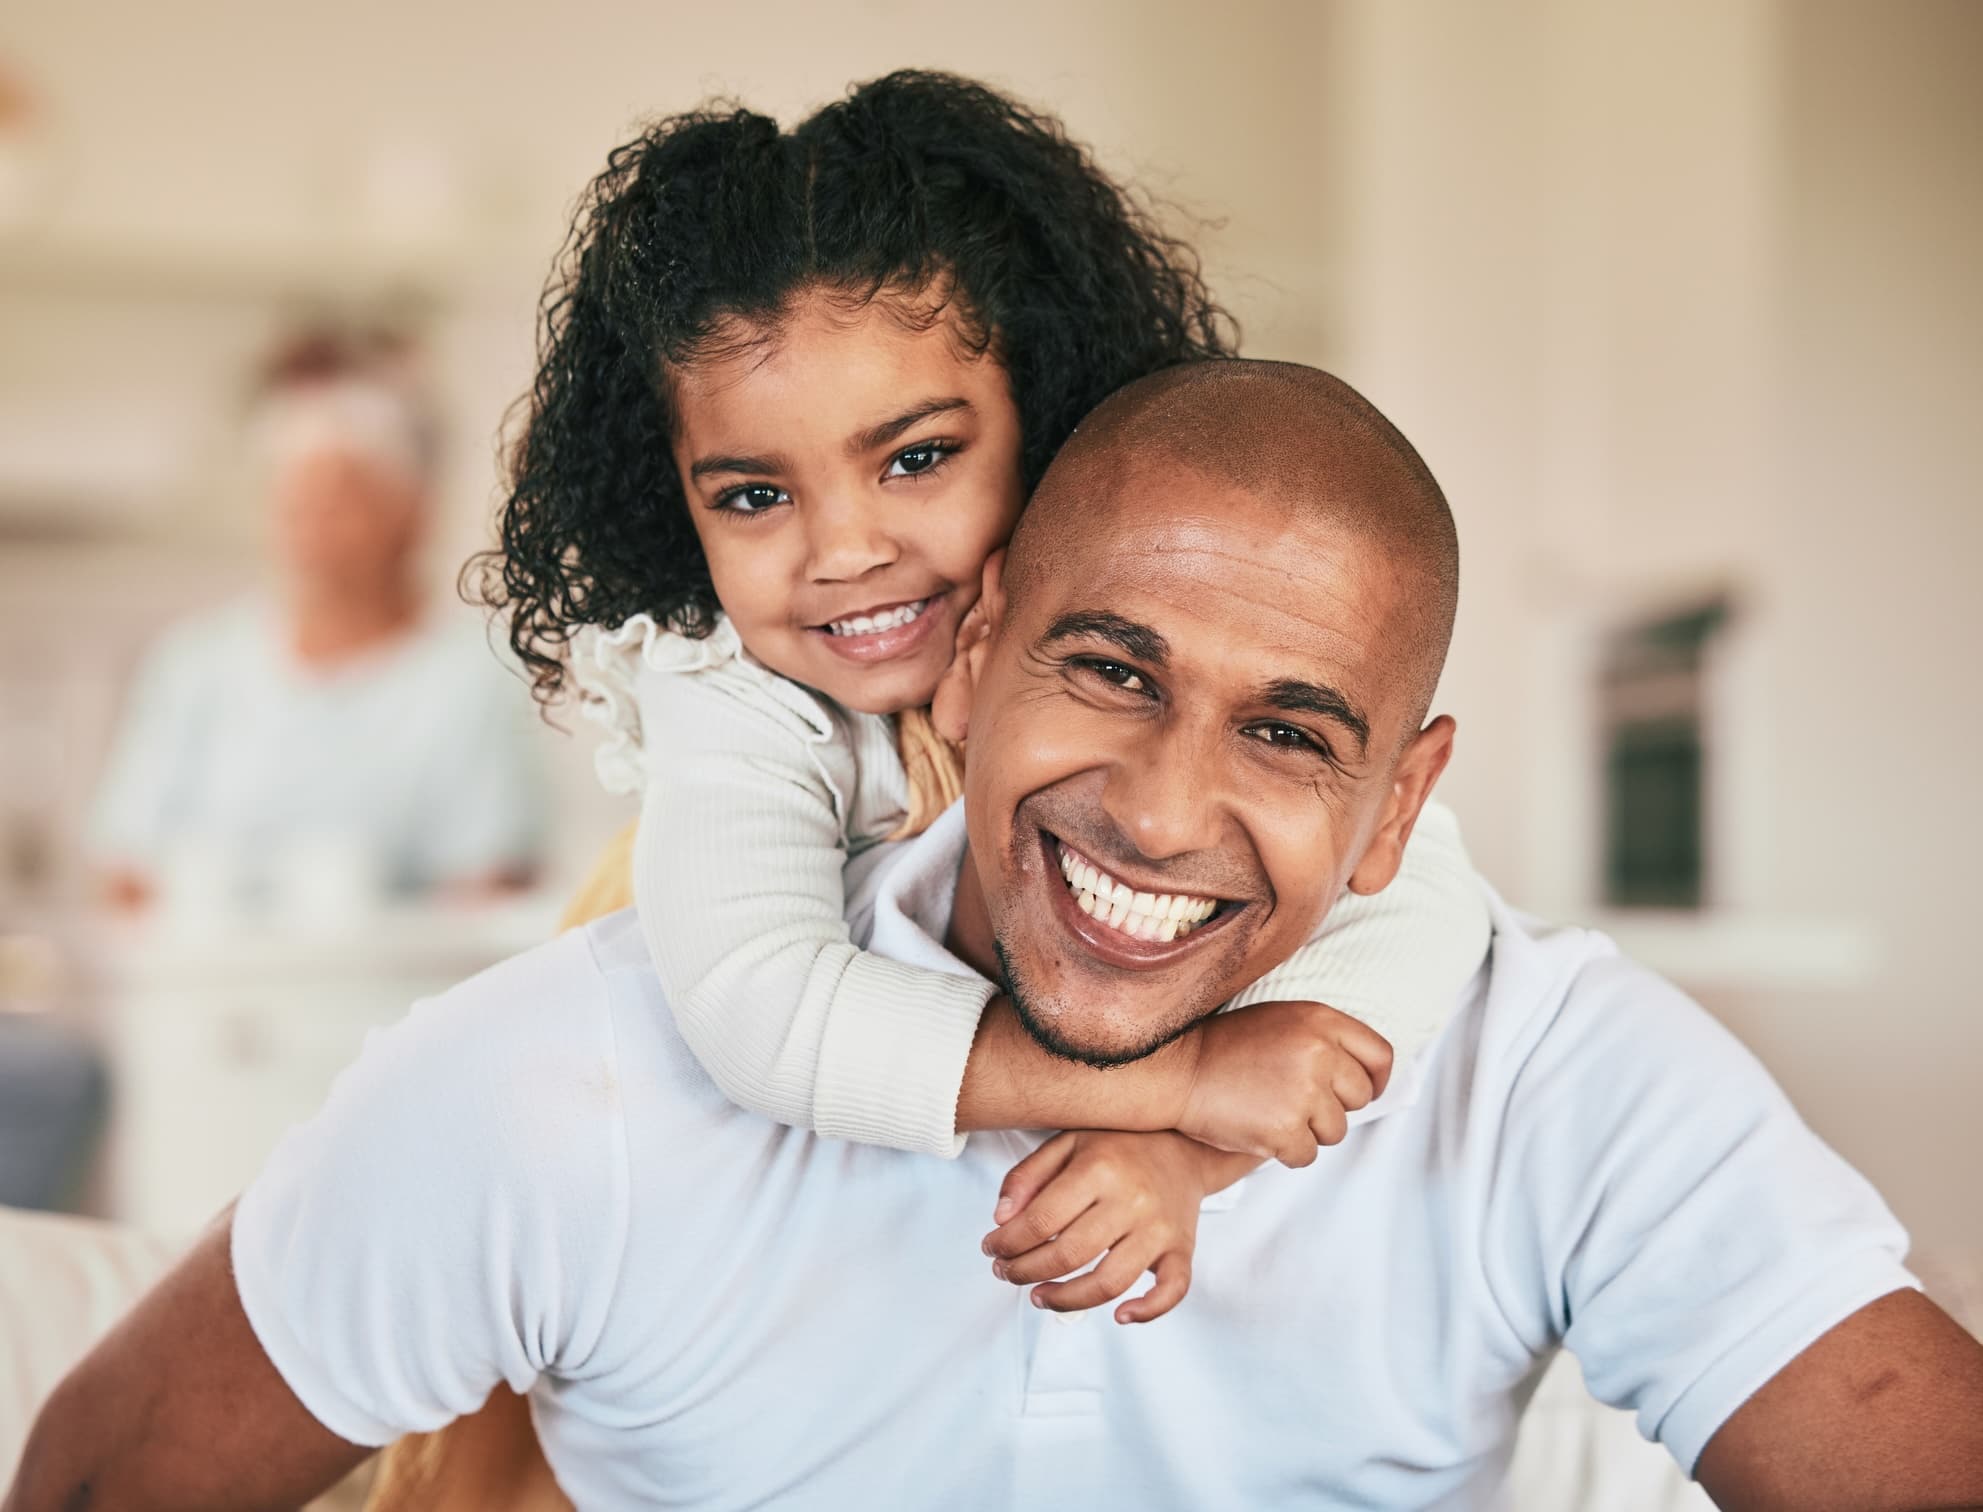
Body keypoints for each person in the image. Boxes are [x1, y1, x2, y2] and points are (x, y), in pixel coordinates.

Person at [15, 362, 1983, 1510]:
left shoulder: (1549, 1076)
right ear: (968, 659)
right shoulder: (575, 1077)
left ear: (1400, 802)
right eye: (1109, 669)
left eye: (1289, 734)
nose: (1163, 810)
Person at [481, 69, 1487, 1311]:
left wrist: (1188, 1160)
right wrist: (1178, 1088)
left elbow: (1429, 901)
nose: (844, 551)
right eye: (755, 495)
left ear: (1045, 416)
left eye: (915, 459)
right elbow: (771, 1025)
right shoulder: (731, 698)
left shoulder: (1134, 660)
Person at [85, 331, 544, 909]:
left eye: (338, 498)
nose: (310, 526)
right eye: (294, 496)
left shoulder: (476, 675)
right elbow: (124, 870)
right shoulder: (193, 667)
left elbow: (494, 880)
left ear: (412, 511)